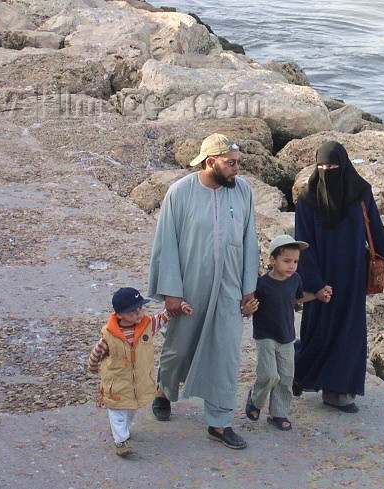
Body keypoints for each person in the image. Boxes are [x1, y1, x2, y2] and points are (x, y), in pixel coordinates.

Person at [148, 133, 260, 450]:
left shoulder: (243, 192)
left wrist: (248, 288)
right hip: (189, 287)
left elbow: (250, 239)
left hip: (229, 286)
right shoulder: (179, 194)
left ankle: (220, 421)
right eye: (230, 163)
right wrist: (171, 292)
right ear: (210, 162)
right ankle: (164, 390)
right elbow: (166, 245)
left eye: (238, 163)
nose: (236, 169)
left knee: (226, 353)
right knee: (178, 347)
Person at [293, 141, 384, 413]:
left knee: (348, 333)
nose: (327, 171)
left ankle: (339, 392)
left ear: (344, 165)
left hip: (351, 275)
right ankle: (299, 372)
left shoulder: (360, 193)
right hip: (321, 276)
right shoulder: (307, 200)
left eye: (333, 166)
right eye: (322, 166)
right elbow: (303, 243)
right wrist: (314, 284)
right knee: (318, 330)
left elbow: (374, 228)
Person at [87, 286, 192, 457]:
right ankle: (121, 442)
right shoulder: (109, 336)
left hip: (138, 383)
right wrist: (92, 366)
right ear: (119, 315)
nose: (139, 313)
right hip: (117, 382)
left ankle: (123, 431)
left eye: (140, 308)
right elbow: (97, 353)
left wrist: (180, 307)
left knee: (130, 410)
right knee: (117, 411)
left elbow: (164, 317)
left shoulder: (147, 326)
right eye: (132, 311)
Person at [244, 234, 318, 432]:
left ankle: (278, 413)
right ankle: (255, 400)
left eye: (295, 261)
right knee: (268, 375)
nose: (291, 266)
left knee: (285, 378)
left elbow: (297, 299)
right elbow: (248, 306)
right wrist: (247, 310)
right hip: (265, 335)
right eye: (286, 261)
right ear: (272, 260)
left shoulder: (295, 280)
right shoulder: (261, 284)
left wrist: (317, 295)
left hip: (287, 336)